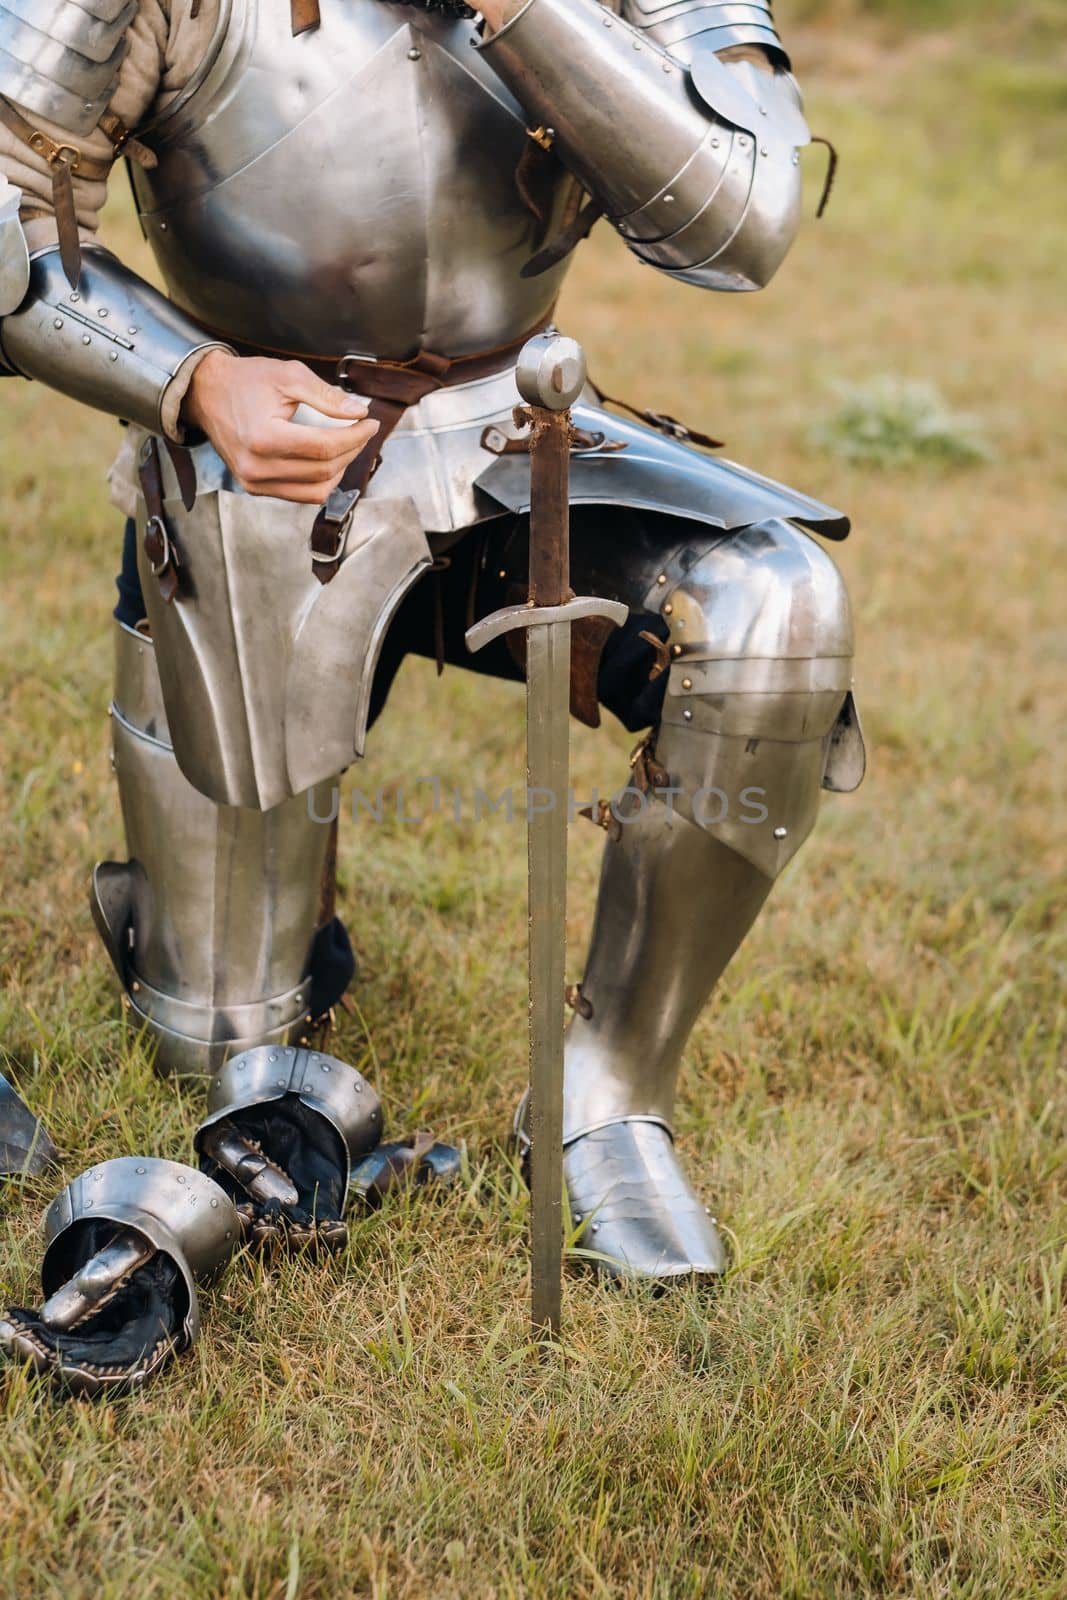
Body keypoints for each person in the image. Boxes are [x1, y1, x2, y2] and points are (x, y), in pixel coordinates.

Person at [0, 0, 865, 1369]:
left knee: (779, 608)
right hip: (254, 459)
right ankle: (207, 914)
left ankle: (605, 1099)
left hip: (514, 435)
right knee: (222, 1046)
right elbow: (5, 212)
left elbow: (741, 220)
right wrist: (194, 380)